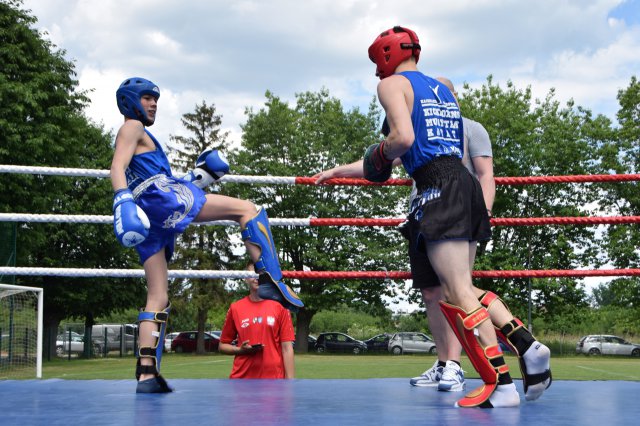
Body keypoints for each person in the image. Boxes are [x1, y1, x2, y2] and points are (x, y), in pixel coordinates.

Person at [314, 27, 551, 408]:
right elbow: (402, 154)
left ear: (386, 56)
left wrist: (380, 150)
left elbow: (402, 141)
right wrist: (342, 170)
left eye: (378, 63)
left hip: (438, 187)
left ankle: (502, 383)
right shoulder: (440, 90)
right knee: (465, 289)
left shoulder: (392, 85)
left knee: (456, 291)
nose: (378, 72)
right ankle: (526, 344)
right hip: (463, 186)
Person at [110, 77, 303, 393]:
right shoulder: (132, 127)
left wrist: (193, 179)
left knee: (157, 295)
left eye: (156, 99)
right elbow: (117, 168)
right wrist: (121, 198)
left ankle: (147, 372)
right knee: (247, 210)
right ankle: (270, 280)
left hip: (148, 214)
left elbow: (144, 174)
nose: (153, 103)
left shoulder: (134, 134)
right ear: (130, 100)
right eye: (147, 98)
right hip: (157, 200)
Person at [406, 76, 495, 392]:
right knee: (431, 293)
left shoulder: (471, 128)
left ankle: (457, 366)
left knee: (455, 290)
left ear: (453, 95)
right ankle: (444, 362)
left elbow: (485, 175)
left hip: (457, 211)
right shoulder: (417, 128)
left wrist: (479, 218)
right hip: (422, 210)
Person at [218, 262, 295, 379]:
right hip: (241, 381)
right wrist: (240, 350)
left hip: (273, 382)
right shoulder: (236, 308)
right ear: (245, 278)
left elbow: (287, 348)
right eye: (253, 273)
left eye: (261, 274)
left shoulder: (280, 307)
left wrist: (290, 384)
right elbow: (222, 345)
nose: (257, 277)